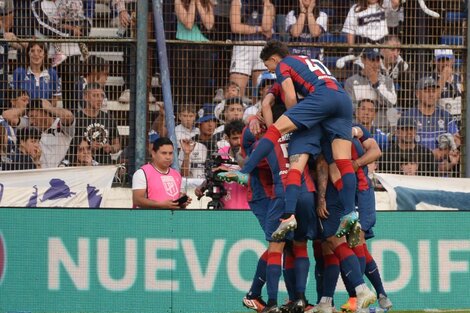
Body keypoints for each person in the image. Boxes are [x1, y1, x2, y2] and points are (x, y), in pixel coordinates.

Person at [220, 40, 359, 238]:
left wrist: (293, 119)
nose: (271, 71)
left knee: (275, 131)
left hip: (320, 100)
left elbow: (290, 95)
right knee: (343, 162)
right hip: (342, 99)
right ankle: (350, 213)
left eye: (269, 67)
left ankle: (245, 171)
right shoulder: (308, 61)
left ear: (274, 59)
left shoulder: (284, 64)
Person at [228, 0, 275, 97]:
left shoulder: (269, 5)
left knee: (260, 92)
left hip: (262, 48)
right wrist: (258, 29)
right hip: (242, 45)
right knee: (236, 91)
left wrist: (266, 4)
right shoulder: (237, 2)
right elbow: (235, 27)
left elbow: (267, 27)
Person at [401, 76, 459, 152]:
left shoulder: (445, 115)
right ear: (417, 94)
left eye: (434, 91)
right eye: (427, 91)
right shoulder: (408, 116)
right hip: (416, 161)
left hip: (443, 162)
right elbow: (402, 145)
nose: (431, 94)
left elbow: (457, 139)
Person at [344, 48, 397, 130]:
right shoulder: (350, 82)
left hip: (382, 128)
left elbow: (392, 102)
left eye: (377, 60)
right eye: (372, 60)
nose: (375, 64)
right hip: (357, 127)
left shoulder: (387, 81)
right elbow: (351, 107)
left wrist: (376, 84)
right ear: (363, 60)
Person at [132, 137, 191, 209]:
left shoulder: (176, 174)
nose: (168, 157)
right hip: (149, 218)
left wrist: (182, 202)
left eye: (170, 153)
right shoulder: (142, 173)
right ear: (153, 153)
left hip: (171, 218)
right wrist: (160, 205)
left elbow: (176, 201)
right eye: (164, 153)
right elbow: (137, 200)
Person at [174, 0, 215, 104]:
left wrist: (198, 4)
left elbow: (209, 25)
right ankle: (185, 111)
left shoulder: (207, 3)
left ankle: (198, 111)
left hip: (203, 46)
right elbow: (188, 23)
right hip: (184, 45)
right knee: (184, 83)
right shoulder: (179, 2)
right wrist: (192, 2)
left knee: (201, 83)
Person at [74, 83, 121, 164]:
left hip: (105, 165)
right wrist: (89, 147)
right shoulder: (77, 118)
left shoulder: (108, 118)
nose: (100, 99)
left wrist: (110, 148)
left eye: (102, 96)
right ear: (85, 97)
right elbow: (71, 147)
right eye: (95, 96)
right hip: (83, 166)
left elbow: (117, 145)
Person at [27, 98, 75, 168]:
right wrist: (25, 108)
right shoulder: (33, 132)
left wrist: (48, 107)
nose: (31, 122)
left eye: (33, 117)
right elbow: (8, 116)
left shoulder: (60, 125)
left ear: (44, 112)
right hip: (44, 176)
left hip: (64, 174)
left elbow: (68, 116)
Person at [432, 48, 463, 125]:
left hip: (461, 123)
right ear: (435, 62)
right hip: (442, 123)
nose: (445, 63)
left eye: (447, 60)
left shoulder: (460, 78)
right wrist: (443, 78)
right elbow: (431, 99)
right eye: (441, 60)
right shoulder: (430, 79)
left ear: (453, 60)